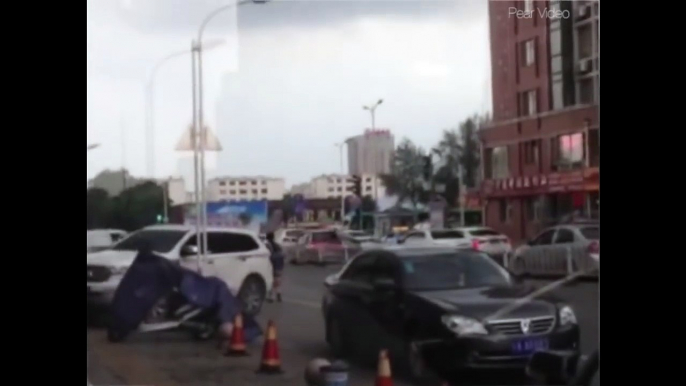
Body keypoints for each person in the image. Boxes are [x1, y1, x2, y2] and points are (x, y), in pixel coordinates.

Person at [265, 232, 284, 302]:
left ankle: (272, 297)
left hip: (274, 263)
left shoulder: (268, 245)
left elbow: (268, 254)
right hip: (280, 263)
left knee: (273, 280)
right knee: (278, 279)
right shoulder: (277, 245)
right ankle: (279, 294)